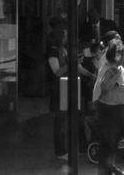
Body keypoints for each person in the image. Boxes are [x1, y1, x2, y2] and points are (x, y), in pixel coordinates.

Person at [92, 41, 124, 175]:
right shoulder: (110, 69)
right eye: (120, 54)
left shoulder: (116, 68)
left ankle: (110, 168)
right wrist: (116, 75)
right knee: (107, 145)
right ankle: (105, 172)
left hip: (116, 112)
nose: (123, 57)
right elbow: (105, 88)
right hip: (110, 112)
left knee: (112, 144)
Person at [46, 18, 70, 160]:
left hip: (66, 87)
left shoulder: (63, 49)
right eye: (64, 35)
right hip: (58, 89)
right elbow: (57, 72)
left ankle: (66, 148)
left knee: (65, 120)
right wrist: (71, 64)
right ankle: (60, 151)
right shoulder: (53, 51)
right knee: (60, 121)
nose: (66, 38)